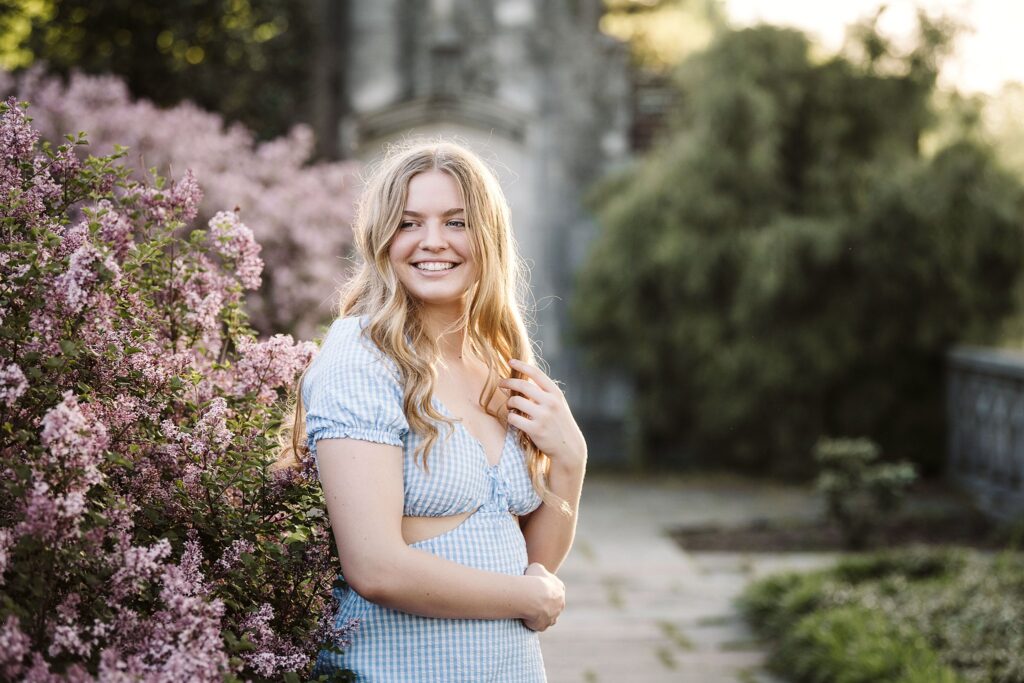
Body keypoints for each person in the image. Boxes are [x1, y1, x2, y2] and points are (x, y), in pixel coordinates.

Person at [283, 139, 588, 681]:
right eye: (407, 223)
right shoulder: (362, 355)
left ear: (488, 237)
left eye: (456, 222)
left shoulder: (496, 360)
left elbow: (531, 559)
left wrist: (570, 461)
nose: (431, 242)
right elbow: (374, 567)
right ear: (382, 238)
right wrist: (526, 597)